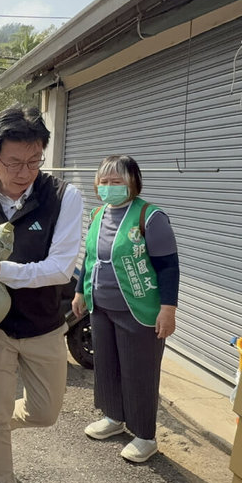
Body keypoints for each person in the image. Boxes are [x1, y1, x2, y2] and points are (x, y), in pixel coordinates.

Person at [0, 104, 83, 483]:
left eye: (34, 161)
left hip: (45, 324)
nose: (24, 172)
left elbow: (61, 269)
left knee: (45, 413)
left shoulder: (65, 196)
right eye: (13, 162)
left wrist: (4, 272)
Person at [72, 155, 179, 463]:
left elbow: (169, 266)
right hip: (101, 306)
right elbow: (89, 258)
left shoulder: (150, 216)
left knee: (139, 372)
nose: (109, 187)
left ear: (133, 183)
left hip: (139, 309)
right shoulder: (98, 214)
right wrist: (80, 291)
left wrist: (168, 309)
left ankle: (145, 436)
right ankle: (113, 418)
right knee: (106, 366)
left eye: (116, 181)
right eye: (103, 182)